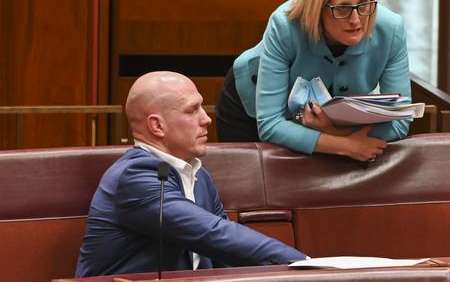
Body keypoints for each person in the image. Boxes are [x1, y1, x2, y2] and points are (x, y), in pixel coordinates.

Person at [75, 71, 306, 277]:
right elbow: (213, 233)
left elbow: (224, 254)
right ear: (157, 126)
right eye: (192, 110)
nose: (206, 119)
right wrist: (305, 264)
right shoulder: (135, 176)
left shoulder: (199, 177)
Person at [216, 0, 411, 162]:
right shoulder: (284, 24)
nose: (356, 19)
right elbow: (271, 125)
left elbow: (400, 122)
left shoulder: (391, 29)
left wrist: (334, 132)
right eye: (342, 8)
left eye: (363, 4)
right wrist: (345, 144)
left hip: (329, 121)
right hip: (250, 108)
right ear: (319, 7)